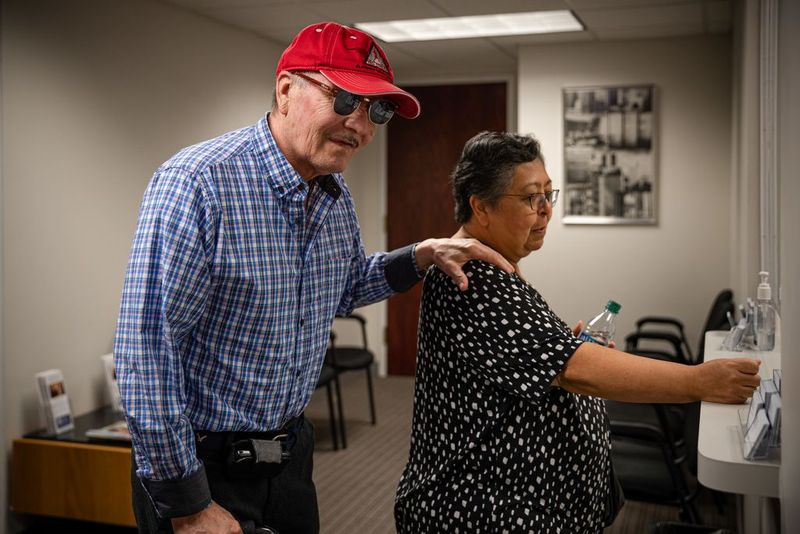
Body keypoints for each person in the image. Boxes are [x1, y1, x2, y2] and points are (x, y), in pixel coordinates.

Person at [114, 23, 511, 534]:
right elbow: (147, 349)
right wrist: (188, 504)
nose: (362, 126)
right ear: (285, 90)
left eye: (379, 110)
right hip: (202, 468)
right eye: (346, 98)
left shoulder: (332, 192)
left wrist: (421, 255)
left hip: (290, 458)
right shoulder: (199, 184)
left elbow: (343, 285)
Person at [394, 131, 761, 534]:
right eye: (531, 198)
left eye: (549, 194)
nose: (546, 211)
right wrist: (697, 381)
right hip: (488, 508)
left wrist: (558, 345)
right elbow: (574, 370)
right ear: (481, 207)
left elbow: (524, 357)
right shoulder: (470, 280)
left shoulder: (496, 265)